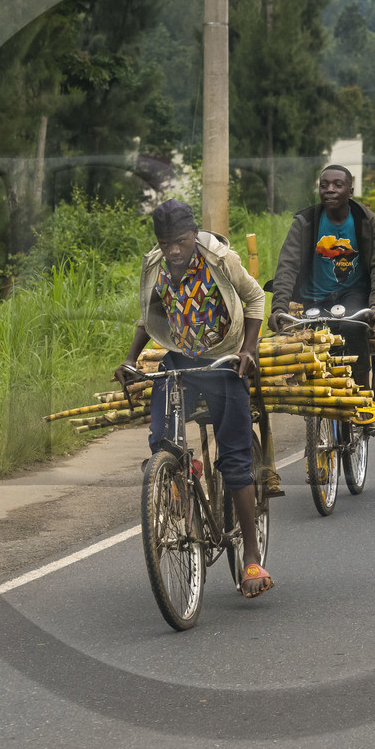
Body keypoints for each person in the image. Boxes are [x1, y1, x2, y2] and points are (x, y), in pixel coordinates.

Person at [116, 200, 272, 598]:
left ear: (194, 234)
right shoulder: (154, 263)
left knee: (236, 461)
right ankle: (178, 479)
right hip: (179, 360)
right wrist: (131, 360)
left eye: (181, 241)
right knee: (160, 442)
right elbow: (148, 315)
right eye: (166, 242)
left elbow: (254, 299)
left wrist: (249, 350)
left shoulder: (220, 258)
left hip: (223, 361)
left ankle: (252, 557)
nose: (174, 250)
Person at [270, 164, 375, 430]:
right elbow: (287, 266)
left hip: (354, 292)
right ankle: (316, 402)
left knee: (353, 326)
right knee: (309, 340)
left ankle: (362, 396)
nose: (329, 190)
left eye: (337, 185)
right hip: (314, 297)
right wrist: (279, 308)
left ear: (350, 190)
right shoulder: (305, 223)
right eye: (324, 185)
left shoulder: (365, 221)